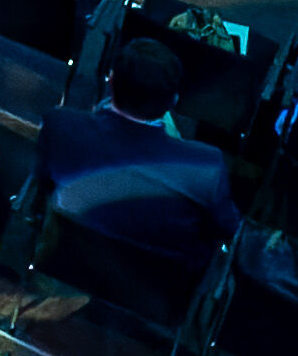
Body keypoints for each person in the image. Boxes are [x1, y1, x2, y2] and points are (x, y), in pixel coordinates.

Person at [35, 38, 244, 271]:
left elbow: (45, 185)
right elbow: (229, 230)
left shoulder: (59, 127)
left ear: (111, 82)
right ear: (173, 101)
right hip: (157, 287)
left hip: (65, 271)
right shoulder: (206, 167)